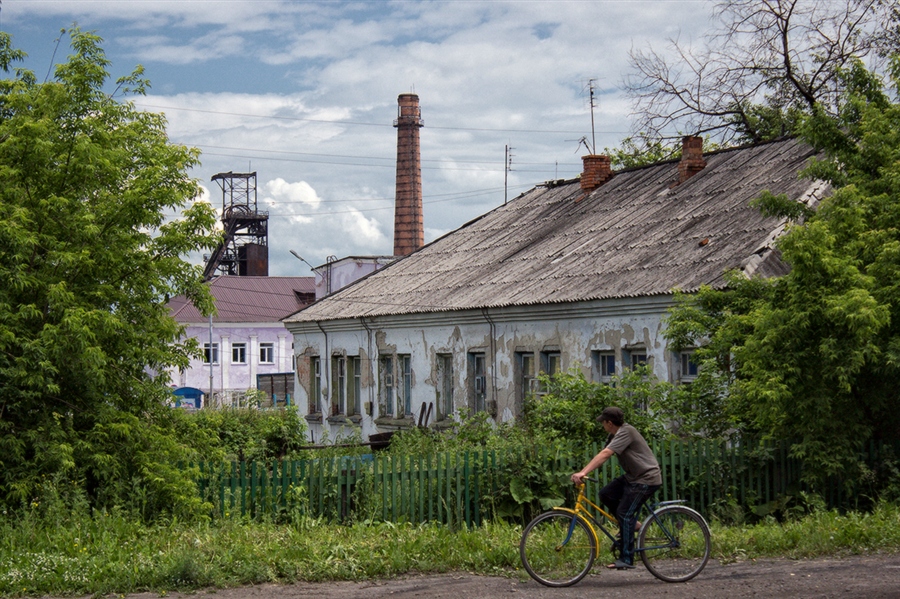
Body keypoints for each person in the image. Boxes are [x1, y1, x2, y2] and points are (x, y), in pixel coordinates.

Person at [571, 406, 661, 570]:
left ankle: (627, 558)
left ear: (609, 423)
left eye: (603, 422)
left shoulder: (626, 432)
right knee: (606, 494)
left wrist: (583, 472)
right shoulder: (614, 434)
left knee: (624, 513)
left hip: (646, 478)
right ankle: (632, 525)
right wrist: (586, 471)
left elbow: (606, 454)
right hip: (634, 477)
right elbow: (602, 453)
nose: (602, 425)